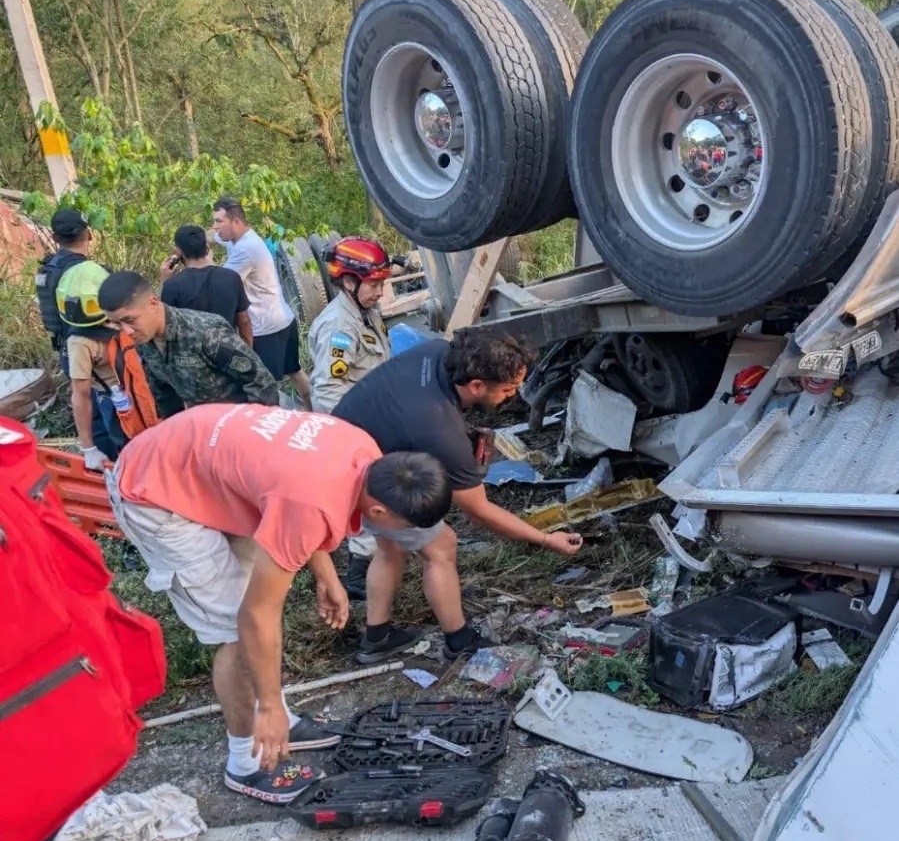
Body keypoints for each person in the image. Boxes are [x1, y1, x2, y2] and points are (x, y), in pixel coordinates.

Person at [104, 402, 451, 803]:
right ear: (377, 510)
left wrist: (327, 574)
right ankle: (245, 762)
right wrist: (267, 705)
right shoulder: (312, 501)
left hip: (202, 464)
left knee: (258, 602)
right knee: (237, 631)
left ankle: (281, 718)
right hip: (156, 493)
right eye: (404, 526)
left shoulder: (365, 454)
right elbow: (258, 612)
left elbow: (301, 503)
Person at [334, 331, 584, 664]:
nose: (513, 396)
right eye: (508, 389)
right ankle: (459, 641)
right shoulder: (439, 431)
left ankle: (377, 638)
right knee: (441, 544)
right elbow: (479, 512)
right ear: (477, 386)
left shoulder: (440, 352)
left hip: (343, 443)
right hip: (356, 476)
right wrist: (546, 539)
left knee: (391, 545)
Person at [308, 236, 393, 599]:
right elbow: (329, 389)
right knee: (365, 498)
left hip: (373, 420)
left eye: (382, 284)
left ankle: (375, 560)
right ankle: (359, 575)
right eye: (374, 284)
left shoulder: (365, 311)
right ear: (348, 281)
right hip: (353, 429)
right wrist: (352, 439)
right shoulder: (339, 328)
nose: (380, 292)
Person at [98, 271, 279, 417]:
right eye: (117, 324)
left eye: (129, 320)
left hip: (240, 422)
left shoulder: (206, 332)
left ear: (152, 303)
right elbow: (163, 393)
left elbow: (260, 382)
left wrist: (254, 430)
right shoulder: (144, 340)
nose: (126, 331)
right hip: (202, 427)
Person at [34, 208, 120, 461]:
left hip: (66, 348)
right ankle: (115, 462)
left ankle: (95, 458)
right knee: (111, 408)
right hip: (98, 350)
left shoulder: (46, 271)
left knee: (86, 404)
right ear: (89, 234)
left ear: (54, 237)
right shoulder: (92, 273)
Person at [211, 198, 312, 409]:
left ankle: (278, 429)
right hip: (283, 318)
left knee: (262, 386)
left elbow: (221, 282)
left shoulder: (245, 250)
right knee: (294, 370)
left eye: (219, 221)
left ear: (236, 221)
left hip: (265, 328)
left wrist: (204, 262)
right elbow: (213, 237)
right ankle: (315, 411)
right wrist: (191, 238)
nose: (215, 227)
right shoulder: (238, 238)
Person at [56, 258, 128, 469]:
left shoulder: (81, 339)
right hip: (119, 398)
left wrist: (89, 448)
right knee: (124, 447)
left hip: (131, 393)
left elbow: (81, 393)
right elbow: (81, 394)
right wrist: (88, 447)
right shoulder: (81, 341)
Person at [158, 224, 253, 346]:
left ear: (179, 252)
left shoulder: (172, 286)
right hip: (227, 352)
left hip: (193, 356)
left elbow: (164, 327)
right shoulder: (231, 278)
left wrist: (164, 281)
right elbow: (244, 321)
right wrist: (248, 351)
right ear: (207, 248)